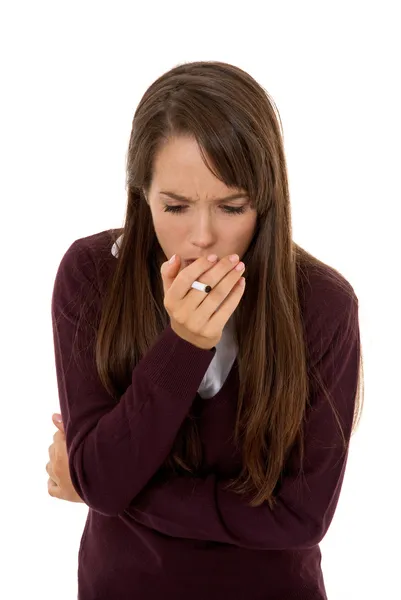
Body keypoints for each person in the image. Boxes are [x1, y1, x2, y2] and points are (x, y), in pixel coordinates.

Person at [46, 60, 364, 600]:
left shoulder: (324, 305)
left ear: (266, 200)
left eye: (232, 206)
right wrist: (184, 347)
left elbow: (299, 518)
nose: (203, 236)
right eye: (175, 206)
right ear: (141, 195)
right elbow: (102, 477)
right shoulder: (92, 275)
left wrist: (108, 491)